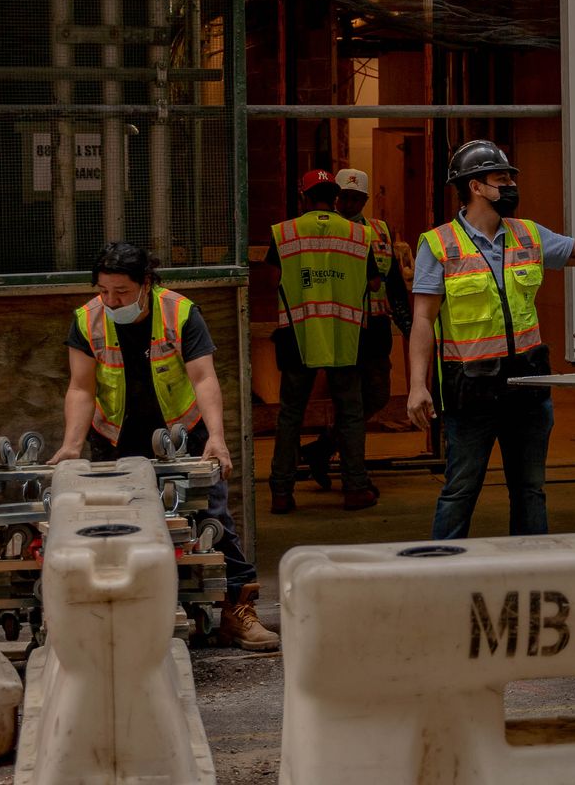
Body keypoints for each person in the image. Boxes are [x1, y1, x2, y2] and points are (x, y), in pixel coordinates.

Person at [407, 139, 575, 539]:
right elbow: (422, 319)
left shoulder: (528, 235)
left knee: (529, 491)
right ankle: (442, 573)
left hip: (527, 390)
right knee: (459, 491)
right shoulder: (439, 244)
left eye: (509, 178)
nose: (509, 185)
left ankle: (532, 571)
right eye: (500, 178)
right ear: (475, 186)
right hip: (470, 393)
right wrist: (417, 386)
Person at [53, 241, 277, 651]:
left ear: (146, 284)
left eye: (120, 291)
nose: (110, 299)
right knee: (117, 529)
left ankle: (236, 611)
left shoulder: (180, 312)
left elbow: (204, 377)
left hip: (182, 431)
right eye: (103, 290)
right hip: (116, 437)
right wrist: (72, 445)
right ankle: (123, 619)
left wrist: (216, 437)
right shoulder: (87, 320)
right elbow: (81, 387)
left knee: (214, 519)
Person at [266, 169, 379, 513]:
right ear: (335, 197)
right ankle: (356, 488)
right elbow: (373, 283)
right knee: (351, 414)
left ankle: (282, 493)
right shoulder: (359, 234)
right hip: (345, 334)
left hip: (298, 335)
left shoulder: (285, 233)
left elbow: (274, 279)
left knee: (290, 416)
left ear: (303, 197)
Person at [299, 167, 412, 489]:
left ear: (364, 199)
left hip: (374, 325)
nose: (349, 204)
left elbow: (390, 281)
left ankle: (323, 448)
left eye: (356, 198)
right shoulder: (328, 230)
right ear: (336, 199)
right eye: (344, 198)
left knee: (377, 395)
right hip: (342, 325)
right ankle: (354, 475)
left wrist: (407, 323)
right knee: (350, 403)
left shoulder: (380, 230)